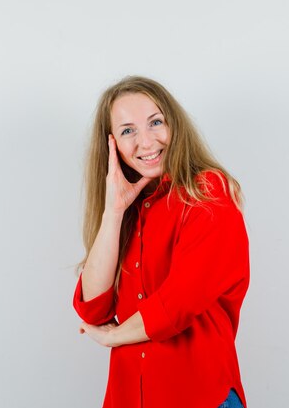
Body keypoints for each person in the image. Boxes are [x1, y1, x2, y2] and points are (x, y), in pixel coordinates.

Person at [73, 76, 250, 408]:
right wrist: (113, 211)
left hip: (199, 397)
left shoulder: (208, 191)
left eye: (155, 122)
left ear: (174, 124)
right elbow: (92, 306)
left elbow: (178, 302)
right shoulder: (128, 207)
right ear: (111, 145)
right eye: (128, 131)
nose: (146, 141)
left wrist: (114, 336)